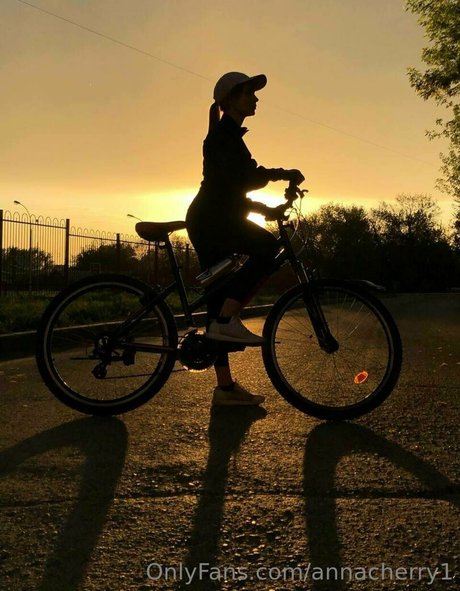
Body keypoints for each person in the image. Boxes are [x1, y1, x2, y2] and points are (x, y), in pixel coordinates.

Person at [186, 71, 305, 406]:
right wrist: (281, 173)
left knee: (218, 296)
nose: (256, 98)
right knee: (267, 248)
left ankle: (225, 389)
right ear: (231, 99)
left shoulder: (231, 137)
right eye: (249, 93)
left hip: (218, 216)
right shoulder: (222, 136)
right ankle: (228, 318)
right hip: (212, 221)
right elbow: (244, 179)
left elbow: (232, 191)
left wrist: (266, 210)